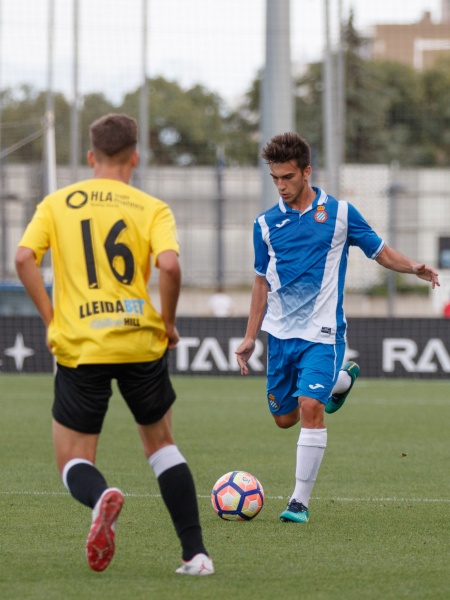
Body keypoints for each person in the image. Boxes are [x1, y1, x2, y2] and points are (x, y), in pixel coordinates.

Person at [15, 113, 214, 576]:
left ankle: (101, 495)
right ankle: (196, 555)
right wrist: (168, 323)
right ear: (134, 158)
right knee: (162, 446)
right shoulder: (151, 207)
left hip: (82, 345)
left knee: (74, 459)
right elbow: (170, 266)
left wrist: (52, 319)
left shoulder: (57, 203)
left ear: (91, 156)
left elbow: (24, 258)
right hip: (140, 340)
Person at [235, 132, 440, 524]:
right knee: (284, 418)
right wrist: (249, 336)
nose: (281, 185)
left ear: (307, 171)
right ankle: (340, 383)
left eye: (288, 177)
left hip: (323, 333)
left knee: (310, 407)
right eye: (275, 178)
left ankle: (298, 502)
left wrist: (413, 267)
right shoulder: (264, 224)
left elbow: (381, 252)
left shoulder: (341, 214)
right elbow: (261, 281)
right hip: (280, 336)